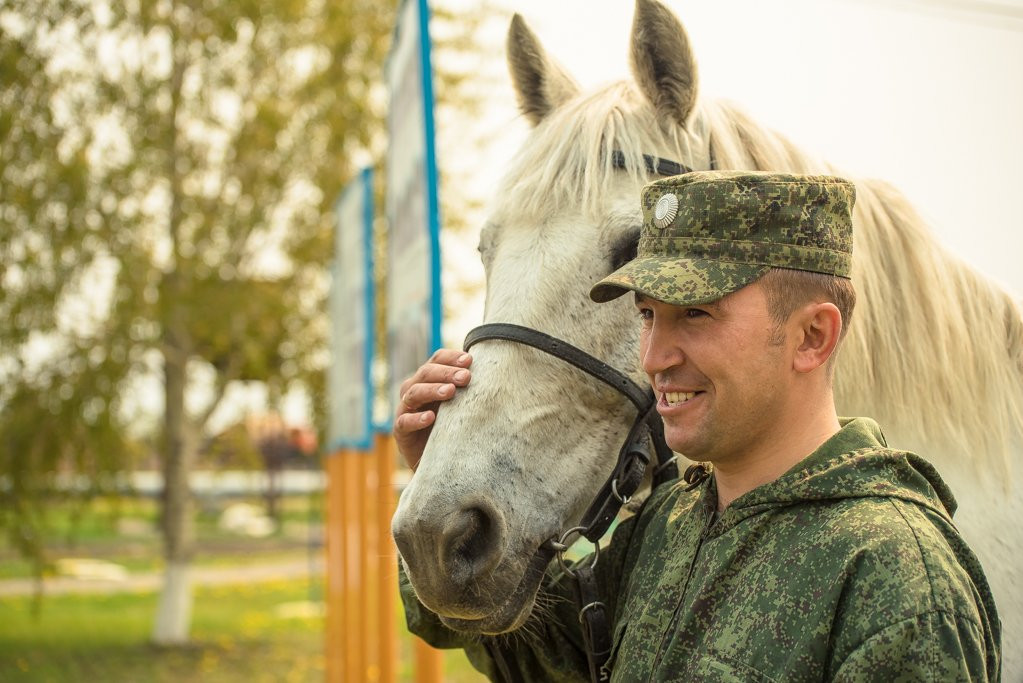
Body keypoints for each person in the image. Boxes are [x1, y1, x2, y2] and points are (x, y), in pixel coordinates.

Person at [394, 171, 1001, 681]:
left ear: (813, 336)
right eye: (649, 316)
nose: (654, 356)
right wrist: (441, 481)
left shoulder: (898, 579)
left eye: (697, 315)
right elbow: (529, 654)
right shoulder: (667, 526)